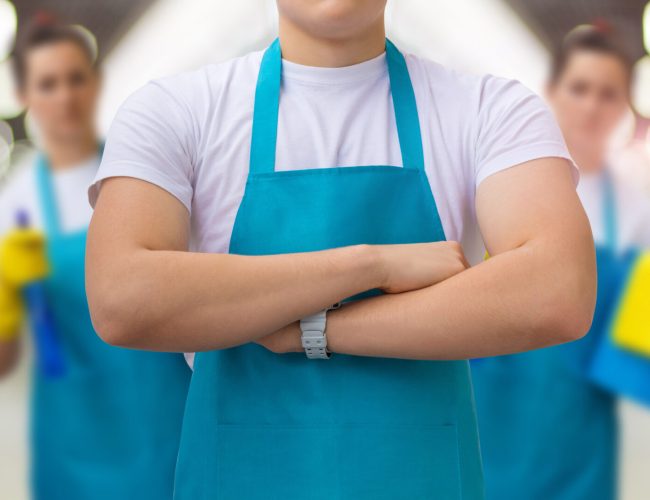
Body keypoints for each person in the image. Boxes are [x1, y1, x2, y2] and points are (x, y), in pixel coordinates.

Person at [86, 1, 596, 498]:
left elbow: (558, 291)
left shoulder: (492, 109)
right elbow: (123, 298)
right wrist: (373, 263)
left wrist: (314, 330)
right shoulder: (173, 111)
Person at [0, 19, 191, 500]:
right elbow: (5, 358)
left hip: (168, 414)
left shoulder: (145, 170)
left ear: (95, 81)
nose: (65, 97)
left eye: (75, 78)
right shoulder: (15, 206)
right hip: (75, 438)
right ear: (25, 92)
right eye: (48, 83)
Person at [472, 26, 650, 500]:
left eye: (608, 93)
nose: (592, 106)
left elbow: (638, 351)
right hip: (486, 426)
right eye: (580, 88)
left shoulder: (638, 211)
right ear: (550, 92)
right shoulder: (497, 188)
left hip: (578, 444)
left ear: (624, 107)